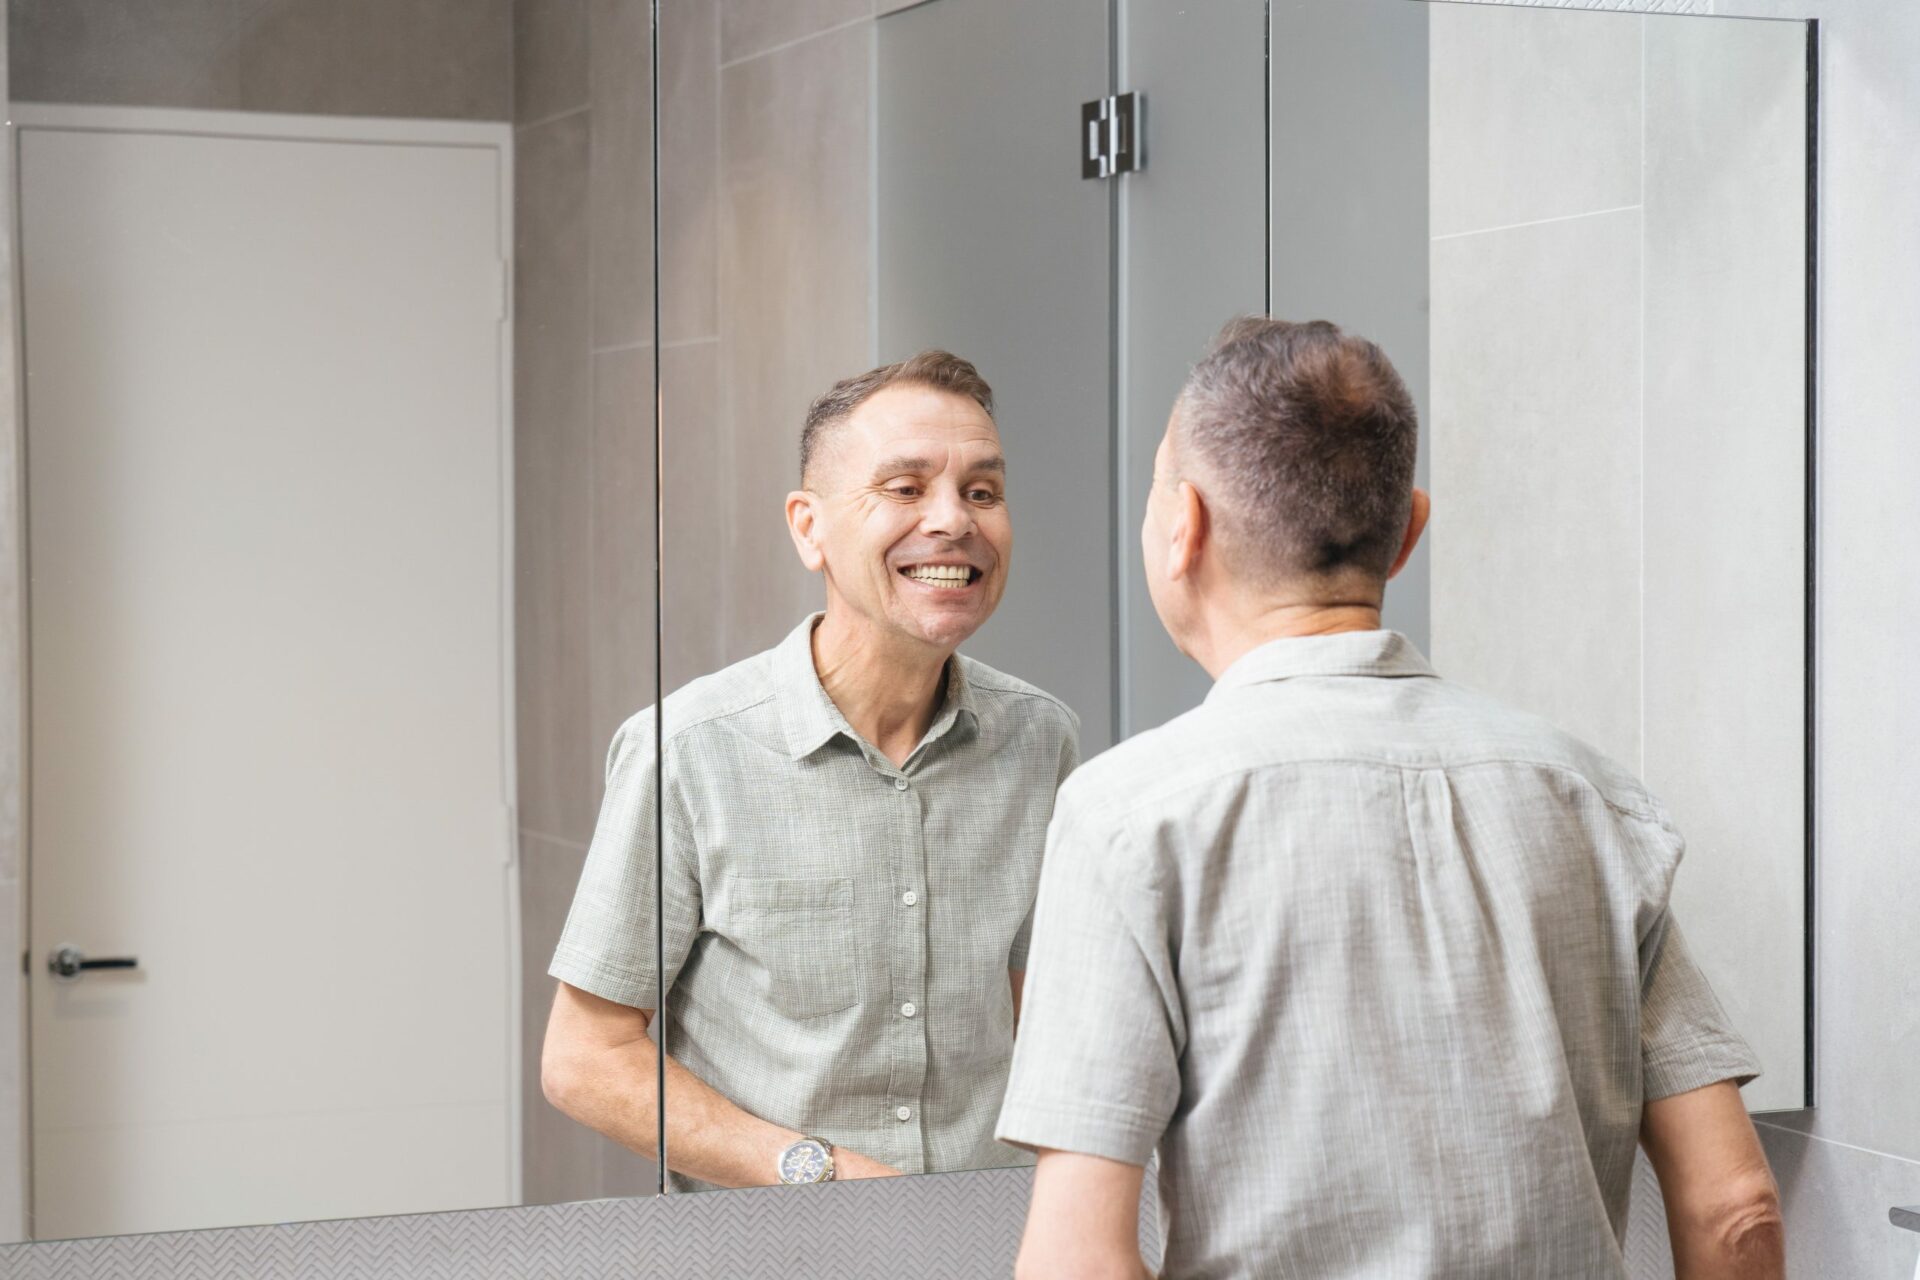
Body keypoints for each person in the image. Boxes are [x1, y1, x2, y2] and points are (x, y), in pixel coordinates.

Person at [996, 318, 1783, 1278]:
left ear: (1182, 528)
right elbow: (1736, 1208)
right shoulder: (1593, 800)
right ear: (1408, 531)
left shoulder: (1126, 820)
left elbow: (1076, 1261)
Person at [541, 351, 1078, 1190]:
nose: (953, 520)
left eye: (982, 492)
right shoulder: (688, 750)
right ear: (808, 527)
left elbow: (1040, 1021)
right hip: (774, 1238)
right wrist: (818, 1174)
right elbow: (585, 1057)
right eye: (905, 488)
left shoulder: (1042, 739)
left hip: (992, 1233)